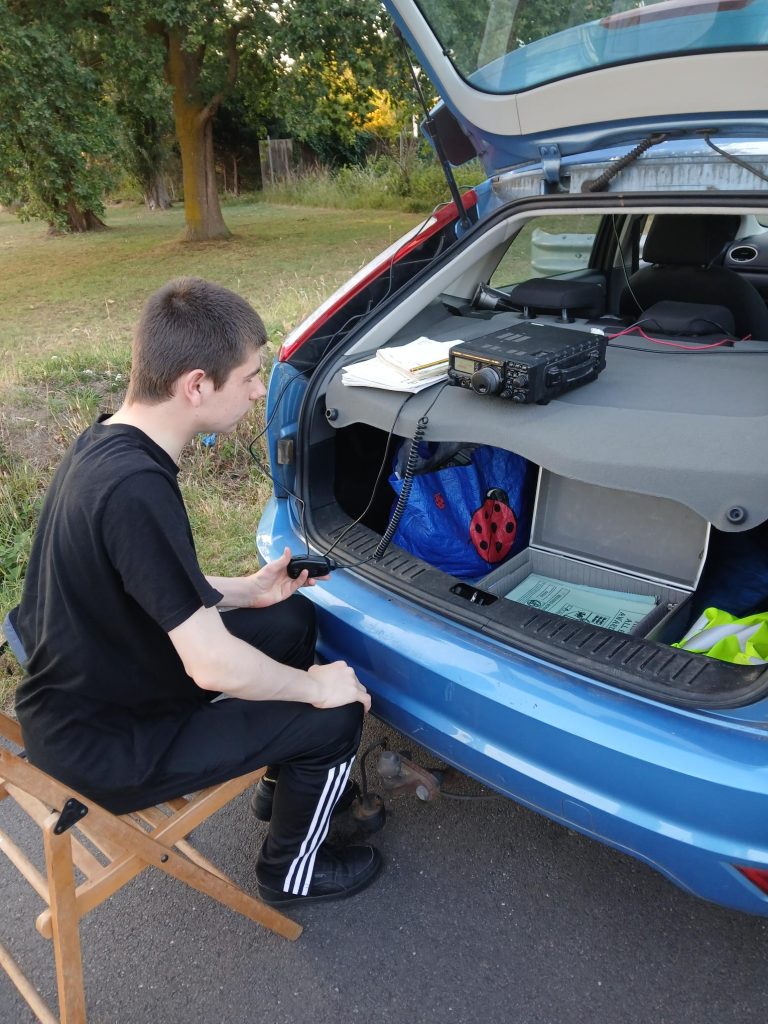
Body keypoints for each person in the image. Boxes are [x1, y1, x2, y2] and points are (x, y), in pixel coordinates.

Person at [14, 277, 382, 906]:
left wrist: (250, 591)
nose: (259, 390)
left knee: (289, 623)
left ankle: (285, 775)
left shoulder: (109, 444)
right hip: (108, 746)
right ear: (196, 385)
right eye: (249, 378)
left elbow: (146, 578)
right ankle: (289, 873)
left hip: (97, 688)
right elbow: (210, 664)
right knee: (338, 713)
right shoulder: (136, 490)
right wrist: (315, 688)